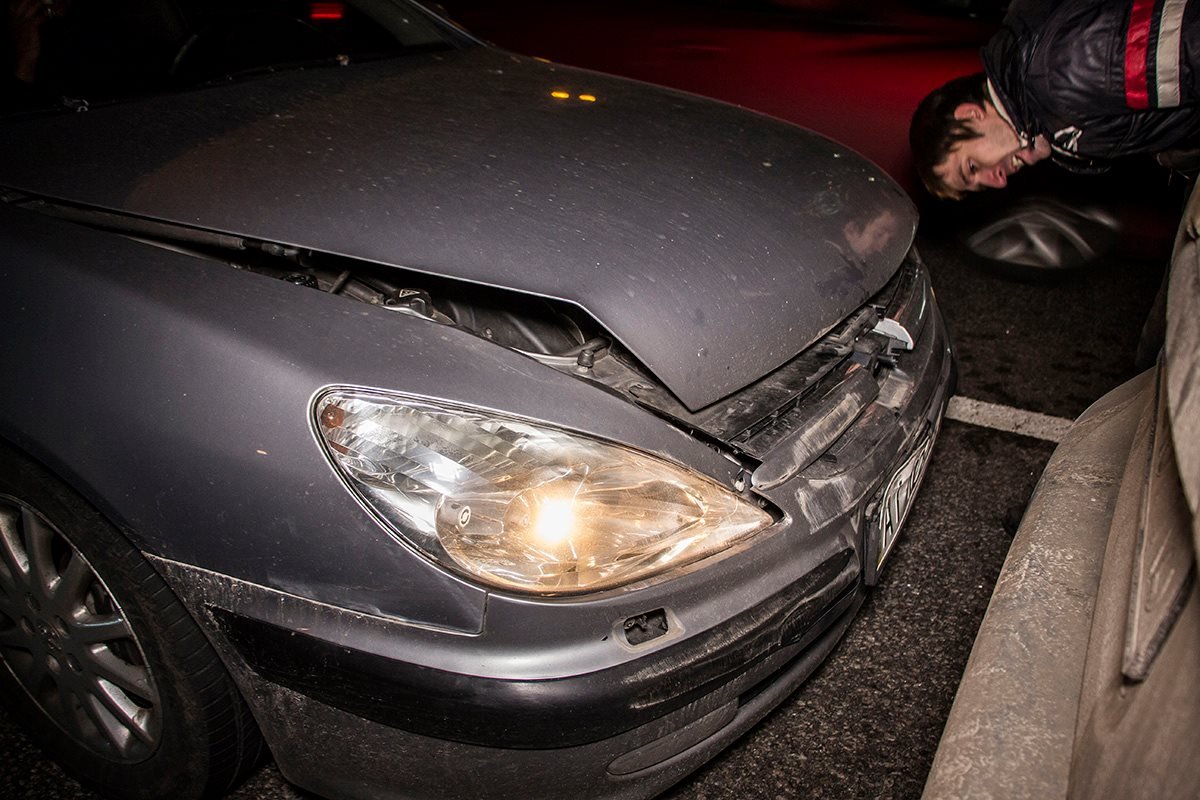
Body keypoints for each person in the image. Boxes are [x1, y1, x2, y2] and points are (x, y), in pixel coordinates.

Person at [910, 0, 1200, 199]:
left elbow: (1188, 50)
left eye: (972, 167)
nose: (998, 181)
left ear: (971, 114)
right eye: (979, 185)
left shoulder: (1060, 71)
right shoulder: (1042, 107)